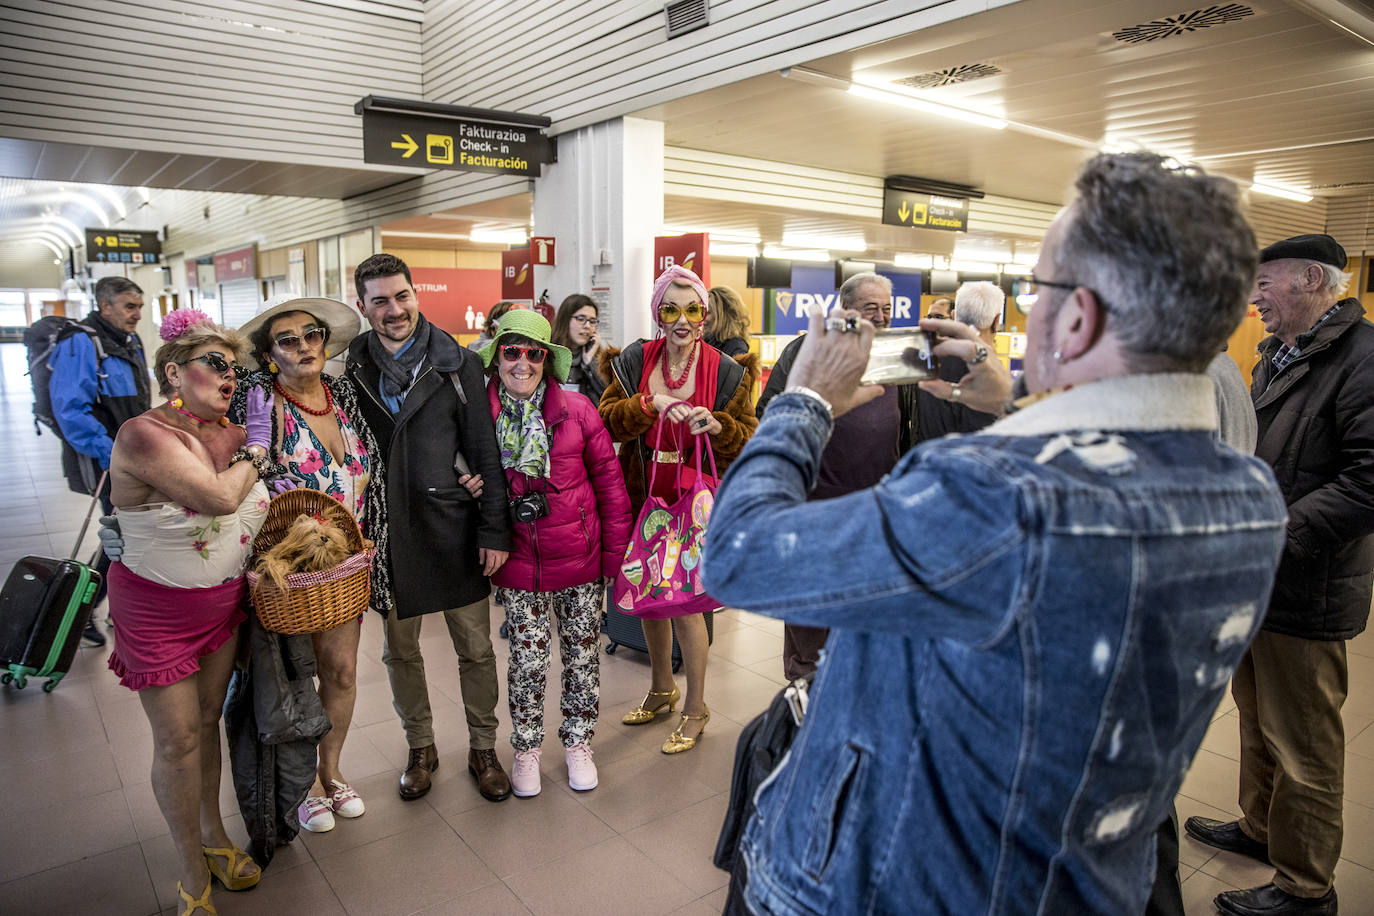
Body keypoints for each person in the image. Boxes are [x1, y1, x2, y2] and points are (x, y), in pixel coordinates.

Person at [705, 152, 1289, 915]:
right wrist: (1016, 397)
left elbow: (739, 554)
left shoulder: (990, 493)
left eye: (1035, 291)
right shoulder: (1250, 497)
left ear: (1077, 318)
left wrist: (805, 398)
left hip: (903, 888)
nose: (1026, 312)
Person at [1185, 233, 1374, 916]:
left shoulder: (1361, 359)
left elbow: (1368, 479)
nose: (1253, 296)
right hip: (1260, 578)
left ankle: (1306, 888)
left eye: (1265, 283)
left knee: (1307, 743)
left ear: (1312, 280)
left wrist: (1275, 531)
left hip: (1308, 582)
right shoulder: (1278, 357)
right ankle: (1262, 830)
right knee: (1258, 720)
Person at [105, 309, 274, 915]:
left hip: (220, 606)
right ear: (174, 373)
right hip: (155, 612)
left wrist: (251, 442)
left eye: (236, 367)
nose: (231, 376)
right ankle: (188, 868)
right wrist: (259, 446)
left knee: (207, 725)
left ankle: (215, 835)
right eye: (216, 363)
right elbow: (220, 497)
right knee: (177, 741)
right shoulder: (143, 434)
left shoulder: (228, 434)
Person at [344, 253, 516, 802]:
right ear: (362, 306)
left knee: (476, 647)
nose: (394, 310)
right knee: (400, 649)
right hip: (390, 530)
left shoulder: (456, 363)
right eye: (380, 301)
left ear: (415, 293)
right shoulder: (350, 367)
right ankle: (421, 747)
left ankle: (484, 748)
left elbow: (483, 451)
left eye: (402, 296)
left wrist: (493, 530)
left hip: (454, 524)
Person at [233, 295, 379, 834]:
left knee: (340, 674)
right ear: (270, 354)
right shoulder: (259, 408)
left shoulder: (343, 398)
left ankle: (332, 772)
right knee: (294, 682)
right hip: (287, 574)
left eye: (311, 334)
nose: (303, 346)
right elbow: (242, 481)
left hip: (343, 573)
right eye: (287, 340)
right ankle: (302, 786)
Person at [598, 264, 758, 753]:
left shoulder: (728, 371)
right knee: (649, 598)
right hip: (642, 496)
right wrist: (649, 404)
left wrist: (721, 426)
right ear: (657, 313)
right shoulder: (633, 362)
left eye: (692, 309)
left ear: (705, 315)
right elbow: (608, 422)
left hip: (699, 504)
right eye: (672, 309)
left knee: (687, 607)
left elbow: (749, 437)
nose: (682, 320)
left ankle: (696, 707)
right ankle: (662, 688)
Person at [478, 309, 631, 796]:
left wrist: (614, 560)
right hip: (518, 560)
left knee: (582, 656)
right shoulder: (479, 414)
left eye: (533, 354)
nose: (522, 363)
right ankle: (525, 749)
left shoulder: (579, 410)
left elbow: (611, 485)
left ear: (548, 360)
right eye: (512, 351)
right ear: (497, 356)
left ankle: (578, 743)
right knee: (527, 659)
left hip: (581, 558)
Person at [755, 272, 916, 681]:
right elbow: (769, 413)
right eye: (870, 308)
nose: (880, 317)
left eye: (886, 309)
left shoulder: (896, 357)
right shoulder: (806, 351)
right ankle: (805, 696)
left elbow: (909, 428)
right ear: (845, 310)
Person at [48, 275, 151, 646]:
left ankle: (108, 609)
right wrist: (112, 453)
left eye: (139, 306)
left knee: (127, 530)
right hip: (105, 458)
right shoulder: (81, 342)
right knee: (122, 533)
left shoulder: (128, 340)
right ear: (104, 305)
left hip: (134, 455)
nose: (138, 314)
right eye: (129, 306)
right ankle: (80, 613)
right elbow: (70, 409)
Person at [915, 281, 1001, 443]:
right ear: (996, 322)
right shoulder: (987, 369)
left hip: (925, 457)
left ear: (954, 316)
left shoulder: (927, 358)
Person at [550, 293, 607, 403]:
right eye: (581, 319)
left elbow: (608, 396)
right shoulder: (547, 355)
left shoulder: (599, 359)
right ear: (565, 320)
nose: (587, 326)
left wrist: (590, 362)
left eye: (592, 321)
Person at [706, 285, 752, 358]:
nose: (703, 318)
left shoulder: (736, 347)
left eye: (708, 313)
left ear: (724, 316)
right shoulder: (709, 340)